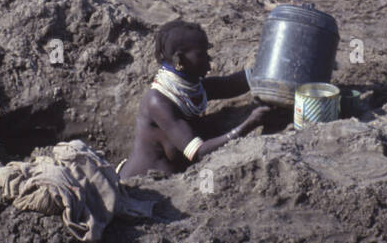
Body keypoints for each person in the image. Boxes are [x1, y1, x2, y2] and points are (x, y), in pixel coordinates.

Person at [117, 19, 273, 179]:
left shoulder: (192, 88)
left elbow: (231, 84)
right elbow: (199, 152)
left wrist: (272, 67)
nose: (209, 61)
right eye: (202, 54)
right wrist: (249, 124)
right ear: (180, 60)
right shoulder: (158, 103)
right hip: (139, 191)